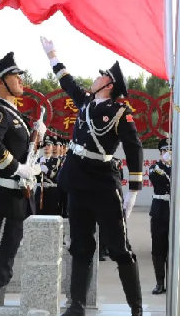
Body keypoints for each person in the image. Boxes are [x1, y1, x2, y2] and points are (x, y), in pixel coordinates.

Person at [39, 36, 144, 317]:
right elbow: (67, 82)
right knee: (80, 246)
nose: (96, 77)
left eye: (102, 76)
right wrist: (52, 55)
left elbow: (134, 147)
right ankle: (76, 305)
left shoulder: (120, 112)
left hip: (103, 186)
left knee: (119, 248)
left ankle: (136, 308)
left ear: (109, 85)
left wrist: (133, 190)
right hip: (78, 183)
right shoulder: (85, 102)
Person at [0, 52, 46, 306]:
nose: (21, 80)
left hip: (15, 198)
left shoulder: (14, 114)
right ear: (1, 82)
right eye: (16, 76)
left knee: (5, 264)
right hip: (2, 198)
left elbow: (21, 149)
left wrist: (37, 138)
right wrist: (17, 169)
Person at [148, 138, 171, 295]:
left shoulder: (178, 168)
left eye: (170, 151)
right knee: (158, 248)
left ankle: (172, 281)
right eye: (165, 151)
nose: (168, 153)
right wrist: (165, 164)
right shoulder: (155, 168)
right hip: (159, 211)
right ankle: (159, 282)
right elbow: (155, 179)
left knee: (172, 249)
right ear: (160, 153)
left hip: (173, 211)